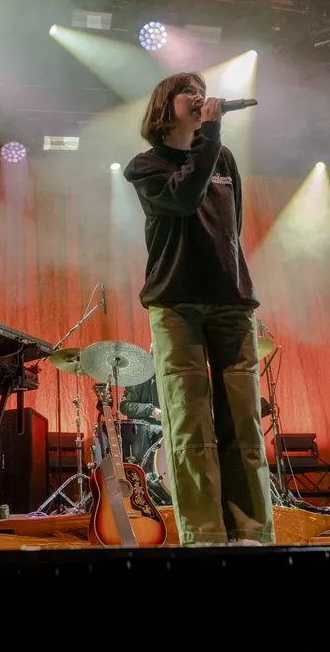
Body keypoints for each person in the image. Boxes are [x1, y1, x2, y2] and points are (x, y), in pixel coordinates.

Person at [123, 72, 273, 546]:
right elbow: (185, 199)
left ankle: (251, 534)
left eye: (201, 89)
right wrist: (210, 134)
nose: (199, 95)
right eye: (188, 90)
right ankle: (205, 538)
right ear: (164, 106)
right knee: (190, 427)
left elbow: (233, 227)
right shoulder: (145, 166)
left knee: (244, 425)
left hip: (231, 302)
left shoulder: (222, 157)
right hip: (176, 303)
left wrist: (210, 141)